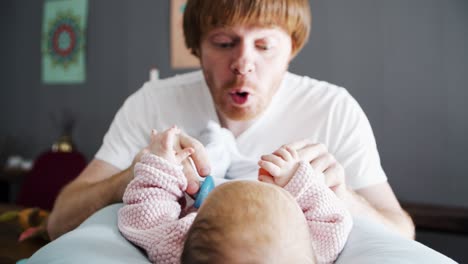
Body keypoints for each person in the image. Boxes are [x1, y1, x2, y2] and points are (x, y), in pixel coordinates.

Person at [47, 0, 414, 240]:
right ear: (197, 49)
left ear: (292, 48)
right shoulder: (153, 102)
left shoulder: (333, 109)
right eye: (224, 43)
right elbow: (59, 221)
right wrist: (139, 173)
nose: (243, 63)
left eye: (265, 46)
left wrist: (340, 194)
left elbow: (402, 232)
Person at [118, 127, 352, 264]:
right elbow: (333, 218)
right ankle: (229, 148)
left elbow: (146, 212)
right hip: (273, 183)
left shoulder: (173, 247)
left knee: (213, 152)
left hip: (201, 188)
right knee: (244, 163)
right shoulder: (316, 250)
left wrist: (163, 163)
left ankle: (218, 138)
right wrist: (297, 180)